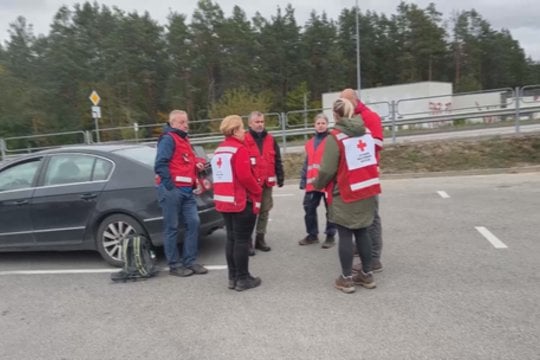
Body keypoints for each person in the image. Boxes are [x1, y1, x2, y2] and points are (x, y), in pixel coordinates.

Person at [312, 98, 381, 294]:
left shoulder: (335, 137)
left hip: (346, 191)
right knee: (363, 232)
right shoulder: (366, 132)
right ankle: (367, 275)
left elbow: (327, 169)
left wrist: (317, 184)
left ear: (335, 115)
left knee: (345, 234)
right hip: (366, 189)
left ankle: (346, 278)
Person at [211, 115, 263, 291]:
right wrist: (257, 190)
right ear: (234, 130)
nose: (244, 131)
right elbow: (245, 176)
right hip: (240, 201)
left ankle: (232, 277)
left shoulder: (219, 150)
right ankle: (243, 278)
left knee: (231, 239)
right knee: (241, 240)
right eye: (241, 128)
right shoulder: (239, 150)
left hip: (224, 202)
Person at [154, 110, 208, 277]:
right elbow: (160, 164)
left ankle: (190, 261)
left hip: (187, 190)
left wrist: (198, 165)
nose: (186, 125)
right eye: (182, 122)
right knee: (172, 227)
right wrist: (170, 186)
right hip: (173, 190)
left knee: (193, 223)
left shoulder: (184, 139)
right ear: (173, 123)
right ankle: (174, 265)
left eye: (186, 122)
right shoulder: (168, 139)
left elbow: (187, 161)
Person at [341, 88, 385, 273]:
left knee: (372, 216)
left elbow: (377, 144)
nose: (342, 104)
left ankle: (375, 257)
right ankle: (363, 247)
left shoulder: (370, 117)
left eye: (344, 100)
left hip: (367, 173)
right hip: (353, 174)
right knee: (361, 215)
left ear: (354, 101)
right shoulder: (349, 118)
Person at [244, 111, 285, 254]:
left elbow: (277, 160)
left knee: (264, 211)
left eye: (262, 122)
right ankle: (247, 241)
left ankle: (260, 239)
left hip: (266, 183)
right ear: (250, 123)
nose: (260, 124)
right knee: (250, 213)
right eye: (257, 122)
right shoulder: (244, 140)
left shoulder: (271, 140)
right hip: (250, 184)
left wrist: (280, 177)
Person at [298, 113, 337, 248]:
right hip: (312, 183)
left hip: (327, 182)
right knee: (309, 208)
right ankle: (312, 235)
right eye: (318, 123)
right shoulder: (310, 143)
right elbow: (307, 163)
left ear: (327, 125)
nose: (320, 126)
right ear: (314, 125)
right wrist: (303, 180)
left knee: (330, 210)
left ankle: (330, 235)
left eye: (323, 123)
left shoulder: (332, 140)